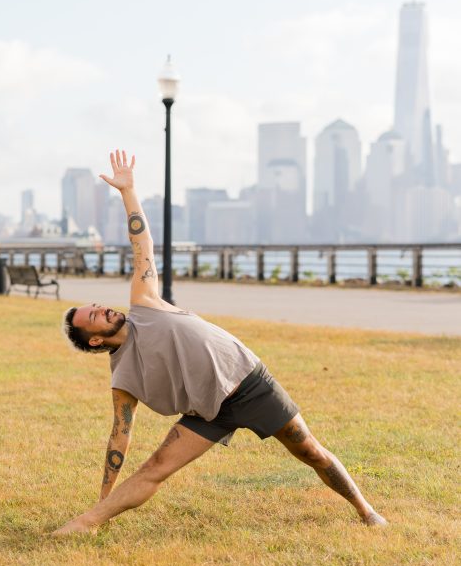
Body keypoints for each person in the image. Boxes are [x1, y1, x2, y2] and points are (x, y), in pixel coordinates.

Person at [53, 150, 386, 535]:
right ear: (95, 341)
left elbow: (141, 243)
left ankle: (366, 510)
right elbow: (119, 435)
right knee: (155, 469)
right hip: (208, 412)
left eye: (99, 306)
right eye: (95, 316)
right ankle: (87, 522)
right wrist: (103, 498)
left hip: (248, 382)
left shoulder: (144, 302)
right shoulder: (123, 375)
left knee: (309, 450)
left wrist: (128, 191)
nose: (105, 310)